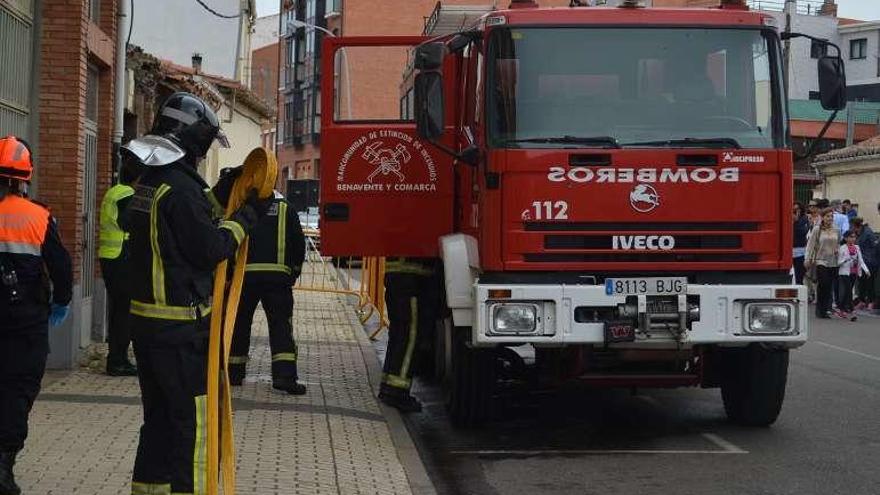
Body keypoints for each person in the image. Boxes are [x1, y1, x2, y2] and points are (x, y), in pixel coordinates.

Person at [122, 92, 271, 495]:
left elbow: (178, 229)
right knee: (192, 426)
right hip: (181, 334)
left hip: (148, 328)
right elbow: (210, 250)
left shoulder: (149, 182)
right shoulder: (180, 190)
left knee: (158, 422)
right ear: (195, 140)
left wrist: (222, 191)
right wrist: (246, 216)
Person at [0, 136, 73, 495]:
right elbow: (61, 267)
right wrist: (62, 301)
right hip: (24, 324)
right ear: (25, 177)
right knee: (17, 391)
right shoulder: (38, 216)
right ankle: (3, 466)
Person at [228, 184, 307, 395]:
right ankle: (284, 377)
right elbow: (298, 243)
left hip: (245, 278)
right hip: (278, 278)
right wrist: (294, 272)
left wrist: (230, 276)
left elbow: (230, 240)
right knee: (281, 326)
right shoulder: (286, 209)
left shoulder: (242, 209)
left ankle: (233, 373)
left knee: (240, 325)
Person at [98, 158, 144, 376]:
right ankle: (118, 361)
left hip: (109, 257)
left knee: (118, 311)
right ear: (137, 178)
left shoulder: (113, 191)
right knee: (124, 313)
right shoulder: (127, 195)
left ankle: (116, 358)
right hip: (120, 258)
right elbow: (129, 223)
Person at [379, 257, 440, 412]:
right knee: (410, 336)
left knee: (398, 335)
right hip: (411, 281)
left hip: (399, 278)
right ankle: (397, 392)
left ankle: (388, 386)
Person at [805, 208, 840, 319]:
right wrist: (808, 259)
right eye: (827, 216)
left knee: (828, 287)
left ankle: (825, 309)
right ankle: (820, 309)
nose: (830, 218)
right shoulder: (817, 230)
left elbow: (838, 243)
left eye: (831, 216)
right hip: (821, 260)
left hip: (833, 261)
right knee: (823, 284)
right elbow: (810, 245)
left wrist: (838, 251)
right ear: (823, 217)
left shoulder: (836, 230)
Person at [837, 231, 870, 321]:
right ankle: (851, 311)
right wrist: (846, 260)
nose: (853, 239)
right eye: (851, 237)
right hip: (844, 273)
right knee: (848, 291)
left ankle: (841, 309)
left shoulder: (857, 247)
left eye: (854, 237)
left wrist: (866, 270)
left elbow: (861, 260)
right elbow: (838, 262)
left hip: (854, 272)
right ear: (846, 238)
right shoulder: (842, 248)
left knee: (848, 291)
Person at [850, 218, 878, 311]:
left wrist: (871, 259)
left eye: (852, 226)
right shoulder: (857, 234)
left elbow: (875, 246)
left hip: (870, 262)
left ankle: (870, 302)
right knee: (861, 282)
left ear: (855, 226)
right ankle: (862, 301)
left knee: (869, 283)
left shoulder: (868, 233)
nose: (851, 228)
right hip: (861, 261)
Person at [793, 202, 810, 285]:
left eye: (797, 209)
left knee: (799, 274)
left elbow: (803, 232)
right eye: (794, 210)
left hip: (800, 251)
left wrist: (796, 222)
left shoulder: (804, 219)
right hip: (789, 250)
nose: (796, 212)